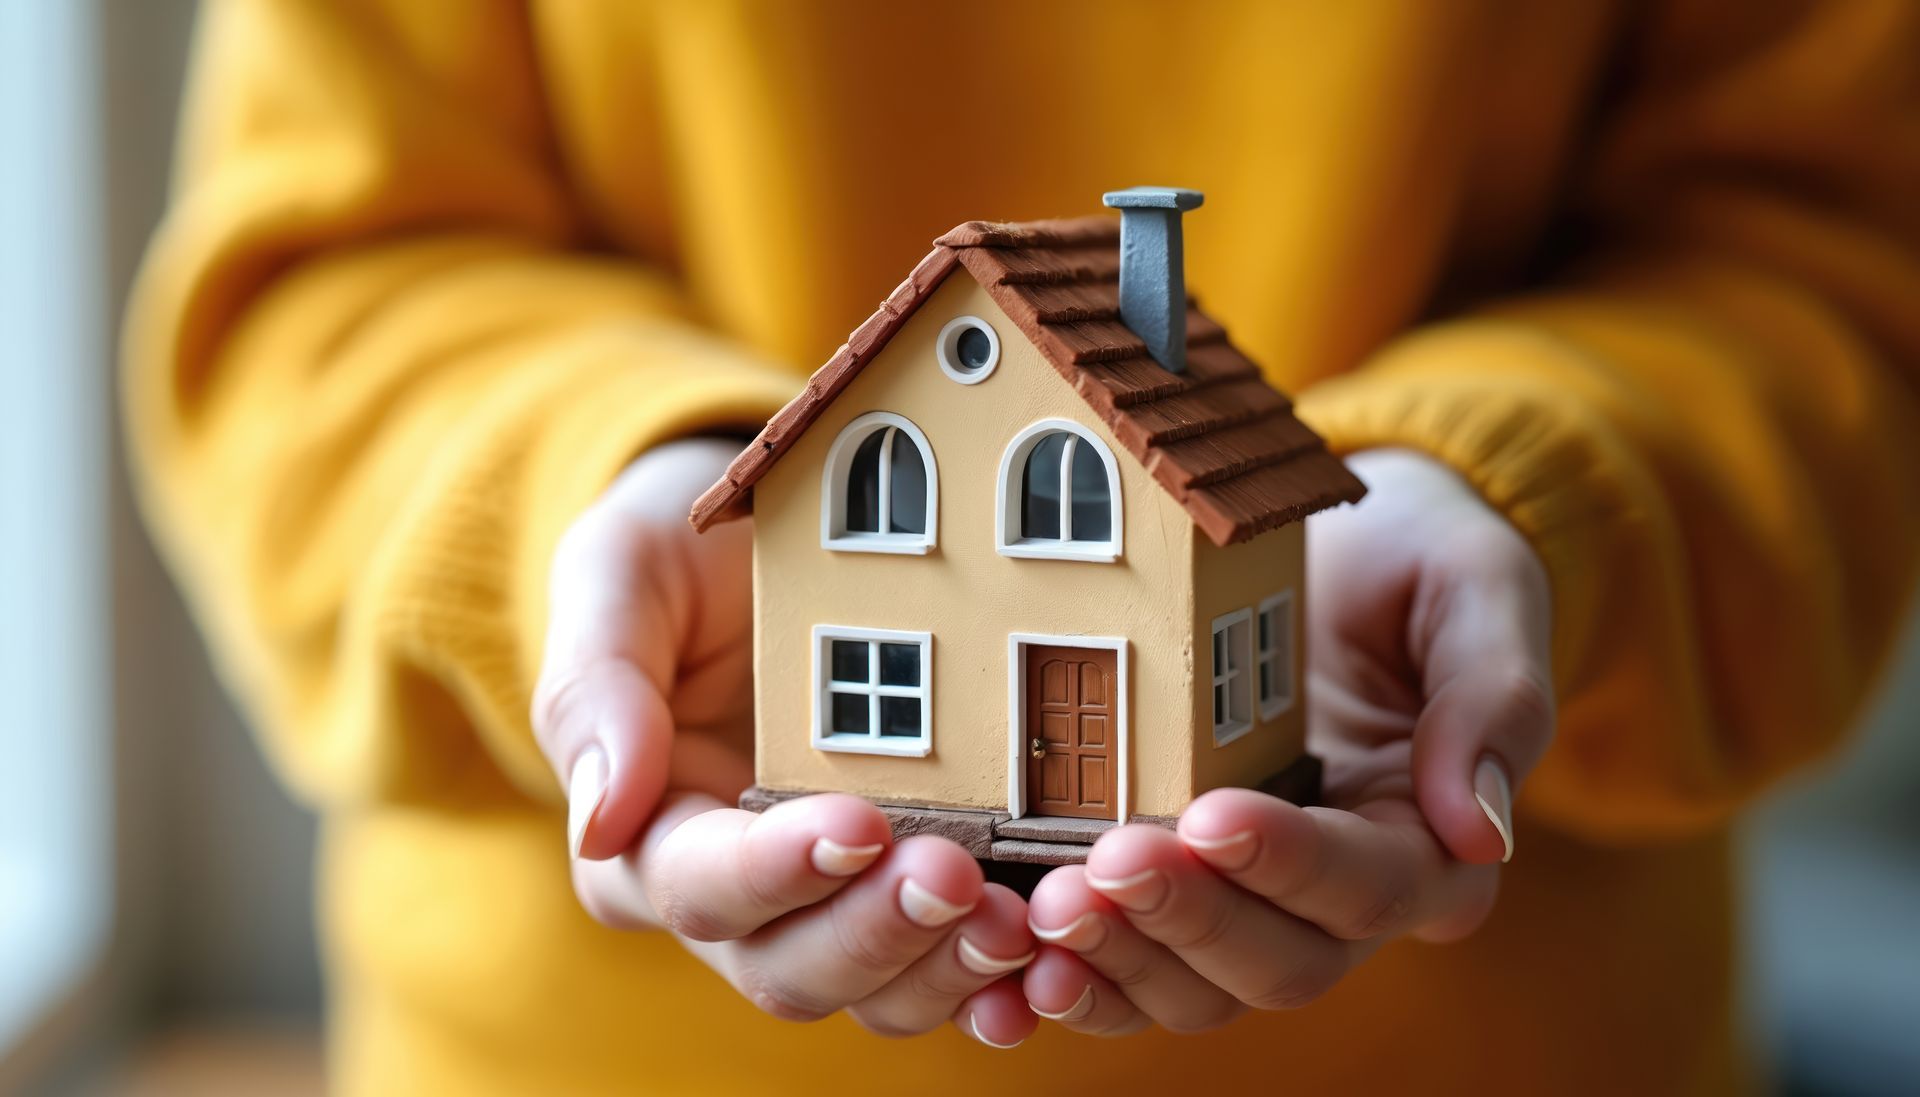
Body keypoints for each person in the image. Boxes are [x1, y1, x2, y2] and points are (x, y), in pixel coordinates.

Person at [125, 1, 1919, 1093]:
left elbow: (1832, 274)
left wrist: (1533, 497)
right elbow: (313, 298)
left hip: (1517, 1059)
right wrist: (622, 486)